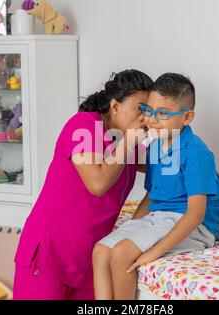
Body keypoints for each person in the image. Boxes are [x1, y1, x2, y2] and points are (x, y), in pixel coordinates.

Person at [13, 69, 153, 299]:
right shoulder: (83, 126)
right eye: (140, 108)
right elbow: (97, 184)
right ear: (115, 106)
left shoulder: (128, 142)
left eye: (149, 111)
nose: (145, 118)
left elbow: (166, 169)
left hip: (86, 262)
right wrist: (128, 142)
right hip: (50, 254)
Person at [93, 73, 219, 300]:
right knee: (100, 251)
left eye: (162, 114)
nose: (152, 119)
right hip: (160, 216)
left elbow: (196, 214)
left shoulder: (195, 151)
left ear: (187, 117)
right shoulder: (155, 147)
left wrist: (154, 252)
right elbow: (151, 197)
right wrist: (132, 228)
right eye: (149, 111)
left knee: (122, 253)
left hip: (196, 226)